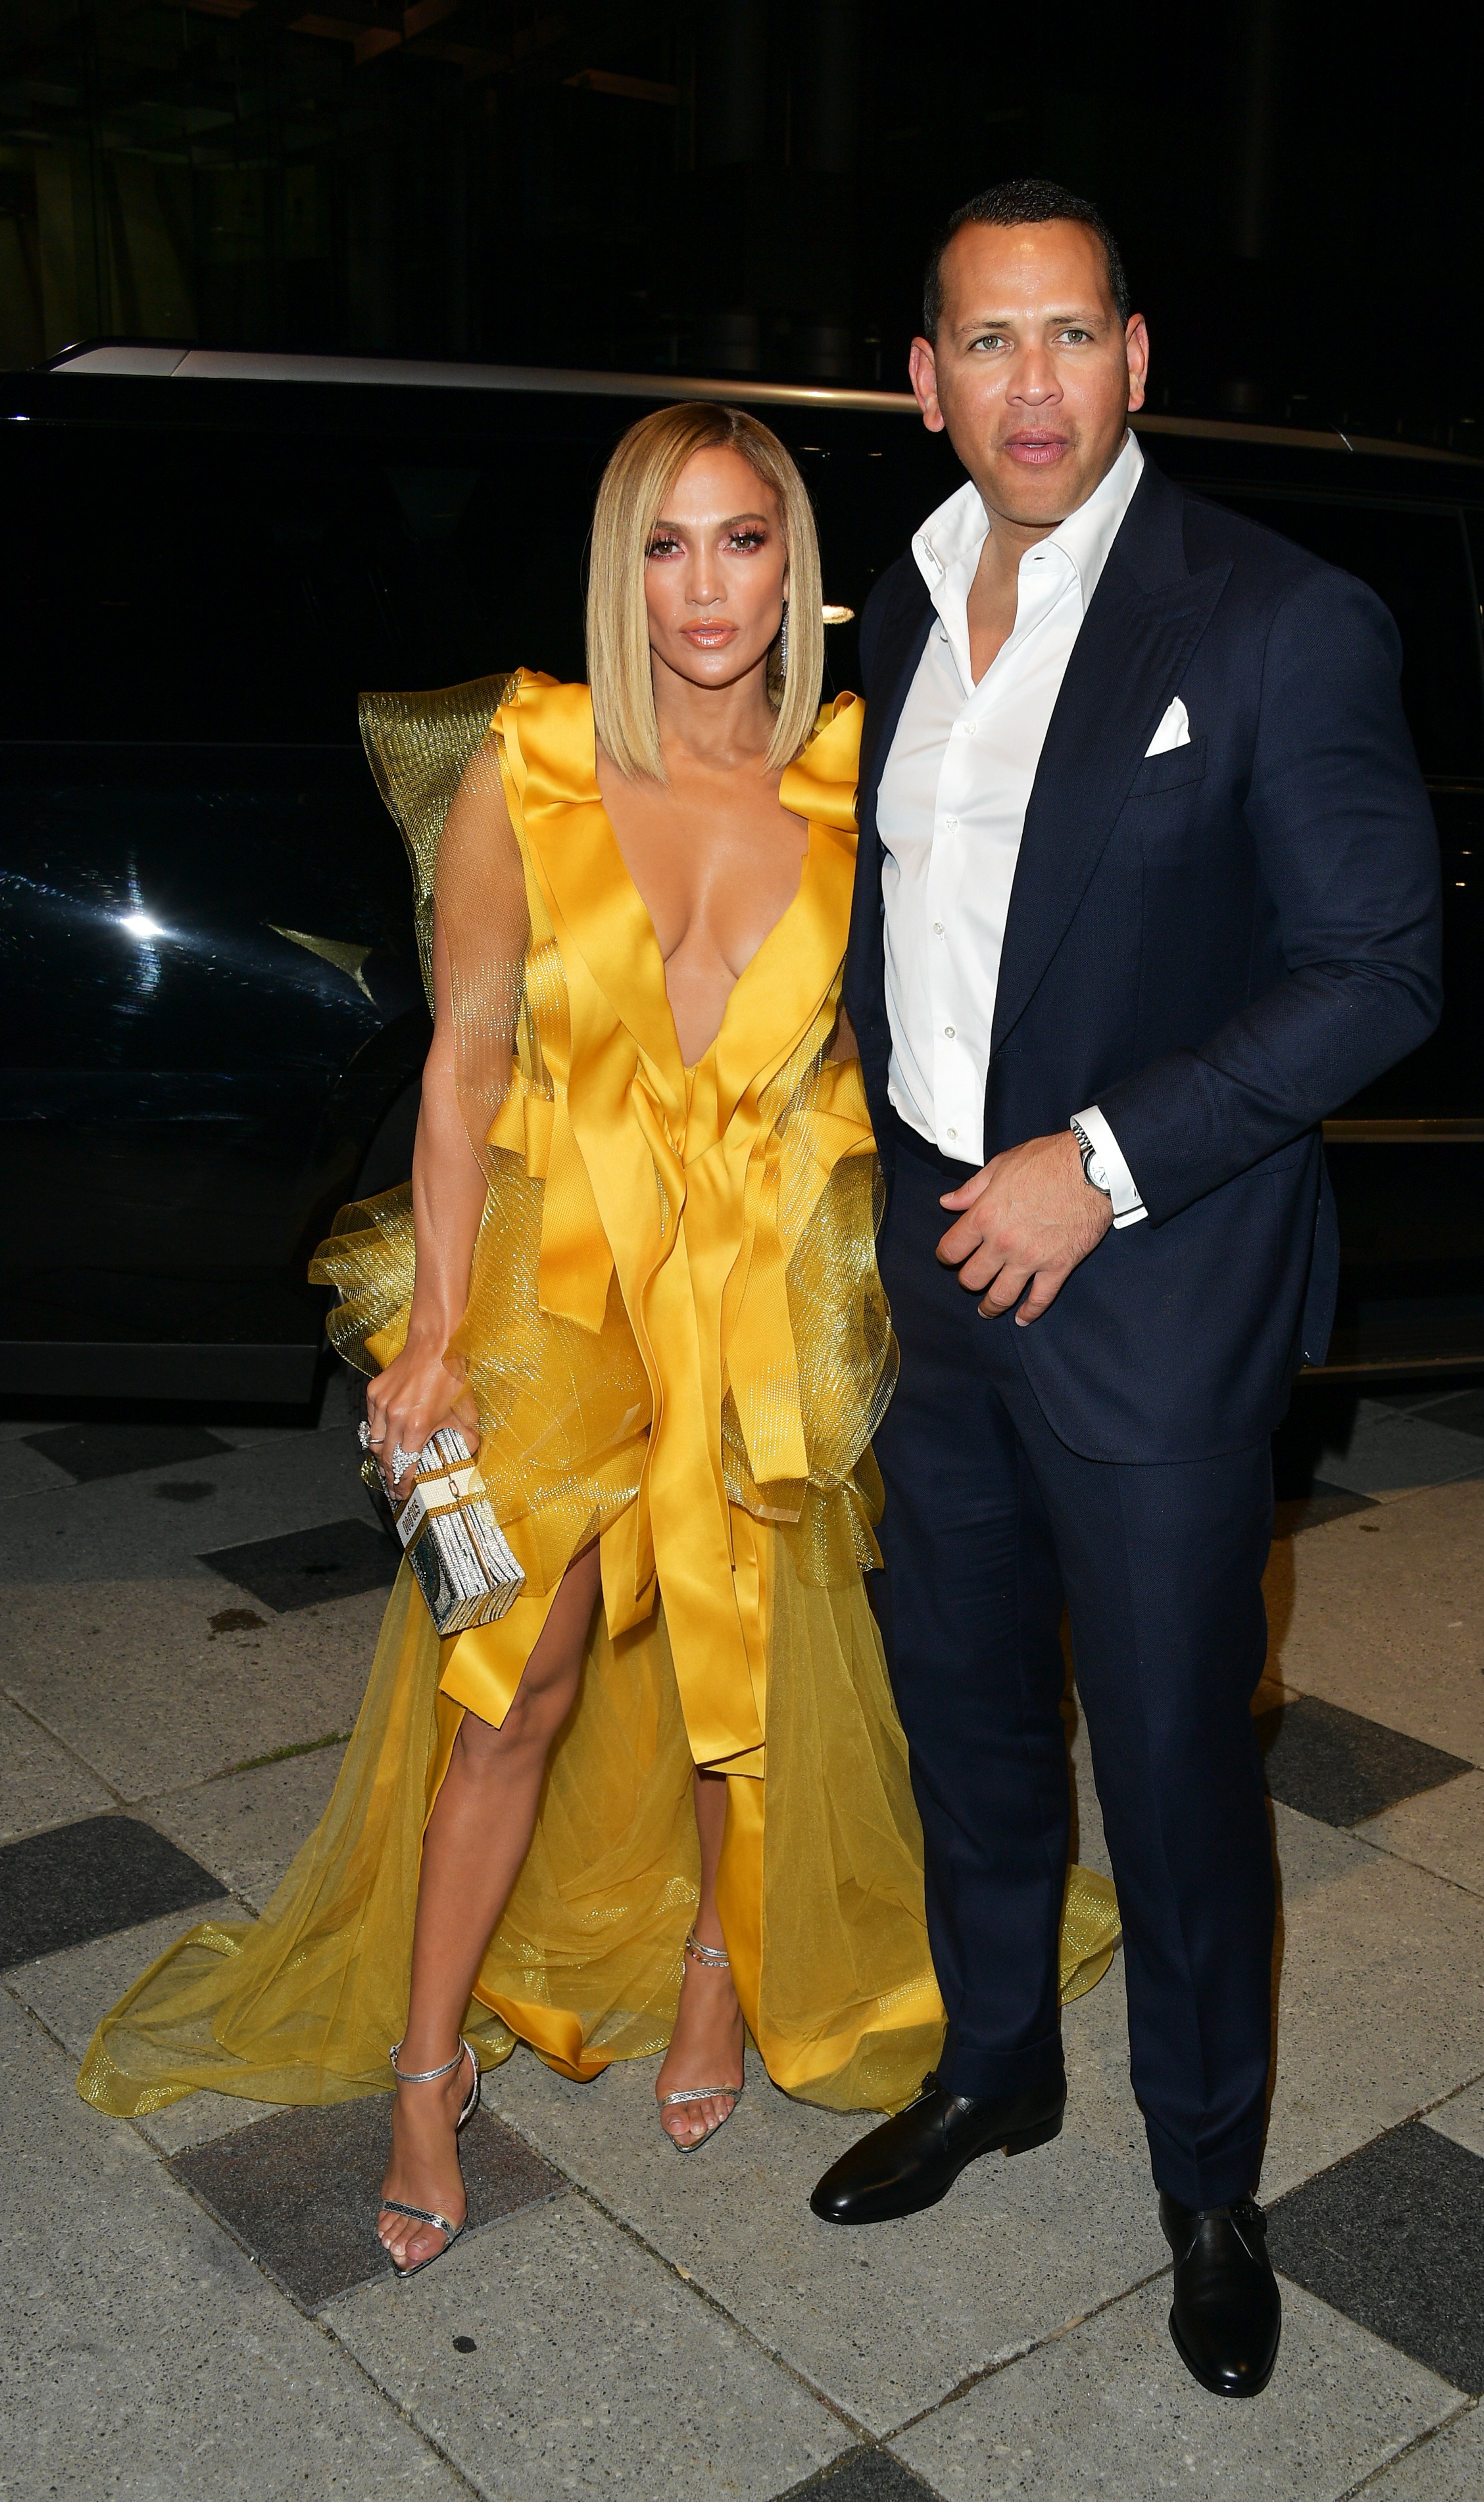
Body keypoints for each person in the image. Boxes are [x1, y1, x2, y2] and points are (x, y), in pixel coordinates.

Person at [78, 400, 1120, 2279]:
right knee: (518, 1683)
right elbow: (466, 1054)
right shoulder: (531, 761)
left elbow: (951, 1026)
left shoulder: (862, 777)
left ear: (795, 569)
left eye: (742, 542)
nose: (704, 588)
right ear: (617, 568)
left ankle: (718, 1966)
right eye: (664, 544)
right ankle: (421, 2066)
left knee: (751, 1660)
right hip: (559, 1283)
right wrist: (435, 1337)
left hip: (759, 1287)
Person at [811, 181, 1443, 2403]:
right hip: (933, 1261)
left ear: (1139, 356)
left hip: (1152, 1286)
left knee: (1176, 1760)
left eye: (1071, 335)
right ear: (927, 380)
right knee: (969, 1706)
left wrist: (1103, 1161)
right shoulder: (895, 592)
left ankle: (1207, 2177)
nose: (1034, 383)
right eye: (987, 343)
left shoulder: (1276, 620)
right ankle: (1002, 2065)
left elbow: (1380, 968)